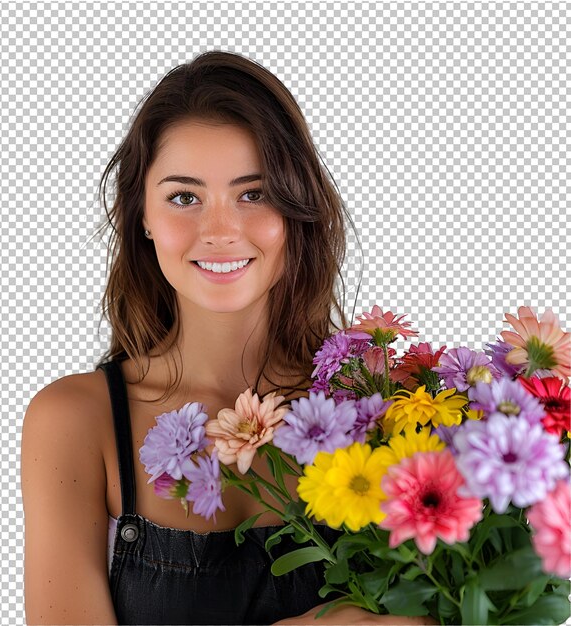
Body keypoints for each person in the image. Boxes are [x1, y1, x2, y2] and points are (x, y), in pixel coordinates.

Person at [21, 51, 432, 625]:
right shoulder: (75, 421)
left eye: (254, 193)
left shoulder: (384, 405)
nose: (219, 231)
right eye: (184, 197)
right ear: (142, 215)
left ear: (296, 208)